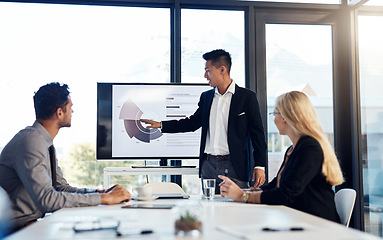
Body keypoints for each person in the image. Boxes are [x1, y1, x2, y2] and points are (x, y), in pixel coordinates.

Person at [0, 82, 131, 232]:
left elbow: (60, 187)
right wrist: (104, 199)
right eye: (70, 107)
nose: (73, 111)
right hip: (13, 230)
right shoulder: (31, 141)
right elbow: (47, 200)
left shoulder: (43, 142)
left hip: (28, 225)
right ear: (59, 112)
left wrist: (100, 193)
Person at [141, 49, 267, 193]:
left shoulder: (247, 97)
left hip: (235, 166)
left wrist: (260, 166)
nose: (205, 75)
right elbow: (192, 123)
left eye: (208, 70)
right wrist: (161, 125)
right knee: (209, 210)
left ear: (222, 70)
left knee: (236, 211)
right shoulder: (206, 97)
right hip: (209, 165)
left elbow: (258, 135)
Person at [219, 91, 344, 223]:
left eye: (274, 114)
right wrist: (243, 191)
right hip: (299, 219)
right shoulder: (293, 149)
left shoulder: (309, 148)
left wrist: (243, 196)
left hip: (317, 225)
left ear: (284, 117)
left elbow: (285, 194)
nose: (273, 119)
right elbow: (276, 185)